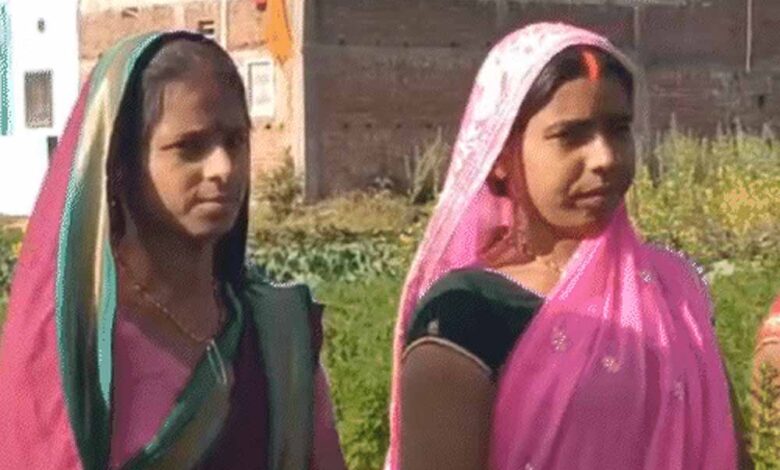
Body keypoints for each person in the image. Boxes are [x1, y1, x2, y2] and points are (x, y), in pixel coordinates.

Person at [386, 22, 744, 470]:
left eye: (619, 129)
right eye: (571, 135)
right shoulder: (467, 315)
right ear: (501, 156)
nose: (605, 158)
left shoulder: (676, 289)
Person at [0, 32, 345, 470]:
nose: (223, 168)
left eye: (235, 141)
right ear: (120, 166)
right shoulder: (77, 351)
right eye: (190, 147)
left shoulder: (276, 337)